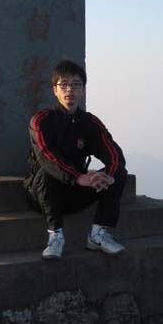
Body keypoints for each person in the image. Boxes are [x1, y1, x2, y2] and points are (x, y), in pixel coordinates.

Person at [24, 59, 128, 260]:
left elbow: (113, 153)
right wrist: (78, 177)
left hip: (75, 193)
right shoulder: (41, 121)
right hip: (43, 195)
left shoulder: (89, 122)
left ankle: (98, 235)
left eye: (76, 84)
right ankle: (55, 236)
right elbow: (47, 156)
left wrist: (109, 176)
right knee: (46, 172)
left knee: (118, 172)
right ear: (55, 90)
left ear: (83, 90)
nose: (69, 90)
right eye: (63, 84)